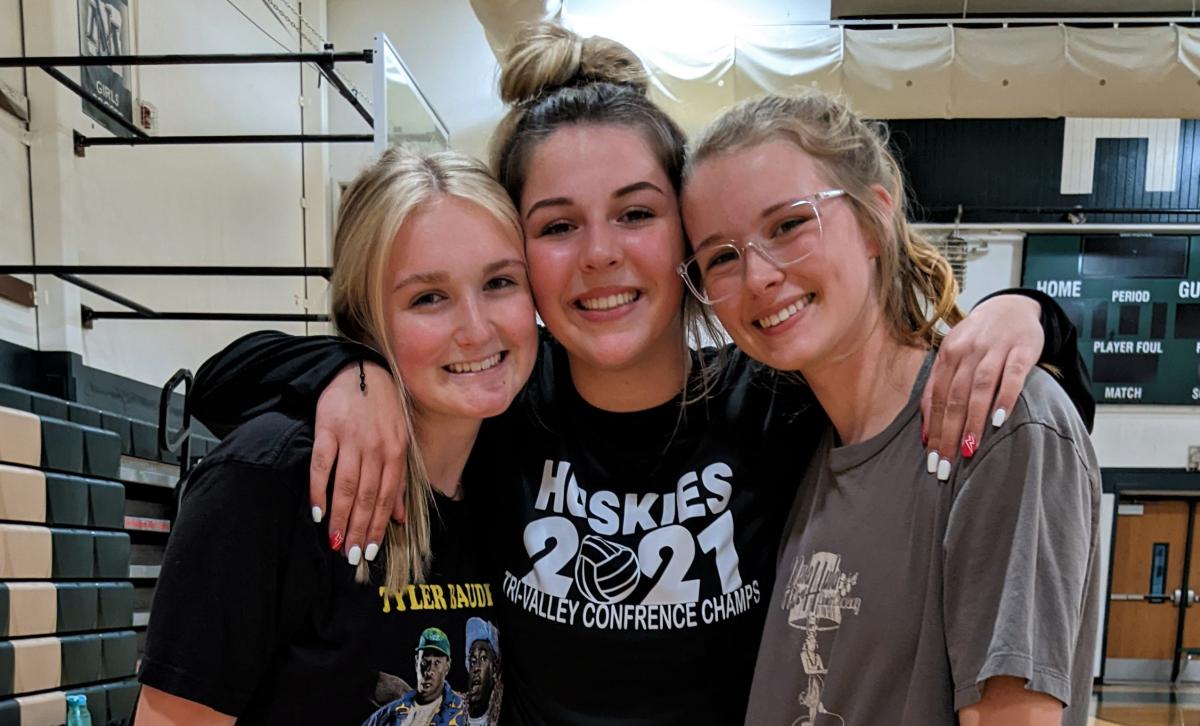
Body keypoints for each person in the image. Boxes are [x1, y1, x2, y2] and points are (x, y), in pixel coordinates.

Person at [182, 23, 1093, 724]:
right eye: (557, 225)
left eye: (637, 214)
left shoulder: (774, 402)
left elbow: (1022, 414)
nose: (601, 257)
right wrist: (351, 371)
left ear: (686, 242)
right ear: (522, 253)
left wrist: (1034, 313)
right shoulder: (499, 411)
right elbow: (221, 383)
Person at [679, 92, 1099, 725]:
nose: (758, 276)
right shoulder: (792, 438)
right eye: (721, 257)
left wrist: (1031, 312)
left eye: (789, 224)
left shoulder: (1000, 422)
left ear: (875, 221)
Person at [134, 148, 536, 724]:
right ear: (364, 316)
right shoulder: (270, 481)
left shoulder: (514, 471)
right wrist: (349, 367)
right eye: (428, 297)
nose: (476, 328)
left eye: (499, 282)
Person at [365, 627, 468, 726]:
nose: (429, 671)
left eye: (437, 663)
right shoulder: (389, 713)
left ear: (447, 666)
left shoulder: (463, 710)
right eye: (424, 662)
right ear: (416, 662)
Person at [464, 617, 502, 725]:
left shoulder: (502, 713)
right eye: (472, 661)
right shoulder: (454, 710)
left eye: (483, 658)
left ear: (494, 669)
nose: (476, 668)